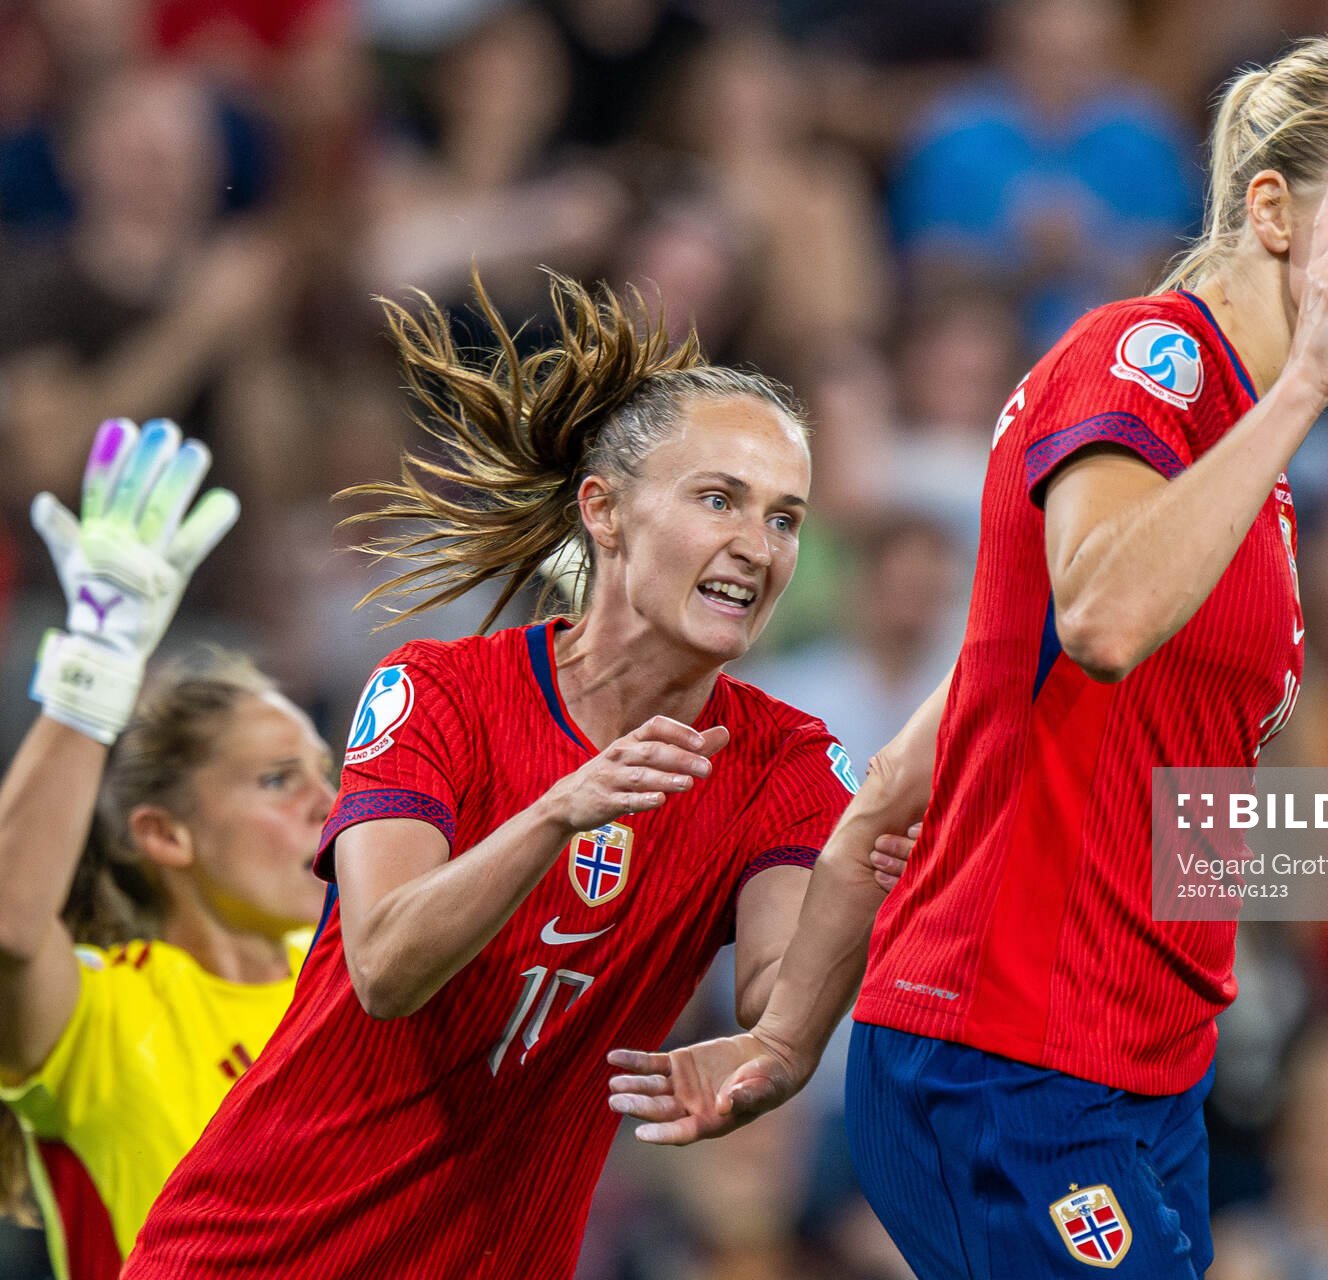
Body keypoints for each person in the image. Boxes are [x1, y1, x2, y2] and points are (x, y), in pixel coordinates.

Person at [609, 36, 1328, 1280]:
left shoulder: (1254, 473)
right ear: (1277, 210)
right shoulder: (1141, 361)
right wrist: (1303, 385)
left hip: (1142, 1074)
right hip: (1007, 1063)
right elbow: (1104, 616)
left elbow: (925, 764)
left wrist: (789, 1036)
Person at [123, 272, 901, 1279]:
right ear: (606, 510)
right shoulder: (439, 690)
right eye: (719, 499)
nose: (756, 547)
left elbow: (771, 987)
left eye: (786, 517)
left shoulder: (785, 762)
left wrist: (866, 898)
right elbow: (388, 964)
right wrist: (557, 813)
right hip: (259, 1251)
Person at [0, 418, 333, 1280]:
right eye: (275, 781)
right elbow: (8, 924)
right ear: (165, 833)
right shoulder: (108, 1018)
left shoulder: (358, 983)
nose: (327, 806)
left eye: (326, 774)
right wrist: (96, 665)